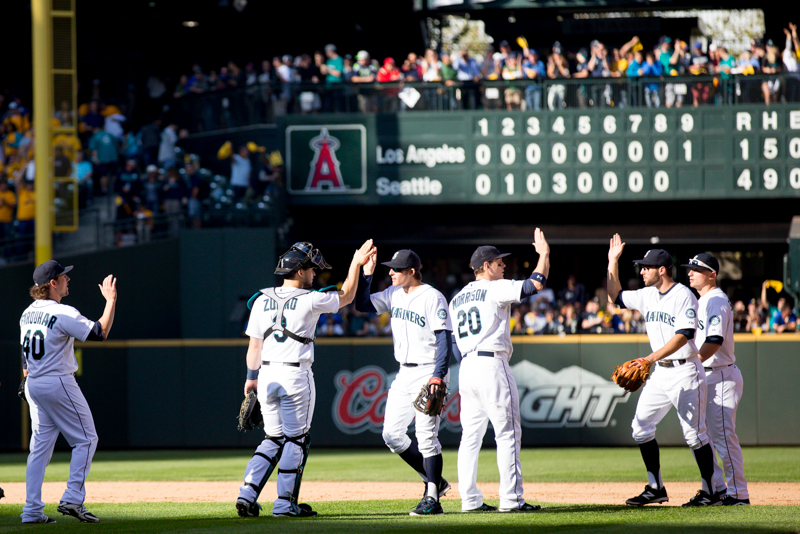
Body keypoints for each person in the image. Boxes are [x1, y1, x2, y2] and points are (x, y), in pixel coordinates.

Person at [236, 240, 375, 518]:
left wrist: (251, 379)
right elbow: (347, 296)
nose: (315, 274)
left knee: (272, 438)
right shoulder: (311, 299)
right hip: (295, 374)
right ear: (299, 271)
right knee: (296, 439)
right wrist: (356, 263)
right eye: (312, 269)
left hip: (265, 375)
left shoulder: (260, 299)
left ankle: (247, 494)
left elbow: (254, 347)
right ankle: (285, 504)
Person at [606, 235, 719, 507]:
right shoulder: (646, 294)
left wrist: (649, 358)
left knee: (695, 435)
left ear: (662, 270)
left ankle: (711, 491)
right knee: (641, 428)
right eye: (640, 266)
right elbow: (615, 296)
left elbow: (684, 335)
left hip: (685, 371)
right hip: (660, 373)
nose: (641, 270)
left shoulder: (683, 295)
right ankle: (656, 487)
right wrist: (612, 260)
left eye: (646, 267)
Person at [450, 229, 550, 513]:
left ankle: (469, 500)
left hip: (467, 367)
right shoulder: (495, 287)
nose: (504, 266)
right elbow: (535, 285)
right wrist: (544, 254)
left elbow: (455, 342)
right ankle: (511, 499)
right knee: (507, 433)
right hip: (491, 364)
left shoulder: (456, 299)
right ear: (485, 267)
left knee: (470, 437)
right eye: (499, 262)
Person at [355, 248, 453, 515]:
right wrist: (367, 274)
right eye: (390, 268)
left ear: (412, 272)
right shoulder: (393, 293)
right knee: (391, 434)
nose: (391, 272)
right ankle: (436, 481)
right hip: (404, 372)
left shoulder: (432, 296)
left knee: (426, 436)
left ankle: (433, 497)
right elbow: (362, 305)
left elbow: (444, 339)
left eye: (396, 269)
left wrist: (438, 374)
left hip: (427, 371)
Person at [20, 260, 117, 523]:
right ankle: (73, 499)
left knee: (39, 448)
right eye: (64, 276)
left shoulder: (27, 313)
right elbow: (99, 332)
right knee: (86, 439)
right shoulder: (62, 312)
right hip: (57, 381)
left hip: (34, 384)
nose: (68, 279)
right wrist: (110, 300)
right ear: (53, 283)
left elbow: (25, 358)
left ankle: (31, 511)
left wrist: (30, 381)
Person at [682, 253, 750, 506]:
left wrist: (692, 363)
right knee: (702, 437)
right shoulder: (702, 300)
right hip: (707, 374)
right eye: (690, 268)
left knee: (722, 437)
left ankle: (738, 494)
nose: (690, 273)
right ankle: (715, 488)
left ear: (712, 274)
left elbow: (714, 341)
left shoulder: (715, 301)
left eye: (696, 269)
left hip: (720, 375)